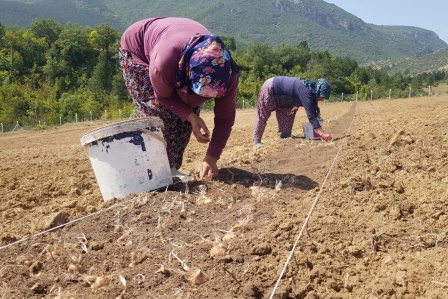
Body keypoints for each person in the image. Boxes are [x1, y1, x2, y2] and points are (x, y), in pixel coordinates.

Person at [119, 17, 239, 180]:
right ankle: (154, 172)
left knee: (187, 120)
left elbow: (225, 120)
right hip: (139, 49)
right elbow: (163, 97)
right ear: (187, 72)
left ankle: (170, 169)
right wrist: (189, 115)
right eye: (197, 92)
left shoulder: (229, 76)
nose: (200, 99)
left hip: (171, 46)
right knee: (159, 114)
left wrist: (211, 157)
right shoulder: (164, 64)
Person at [253, 76, 332, 147]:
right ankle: (257, 141)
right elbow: (311, 116)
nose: (322, 100)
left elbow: (297, 95)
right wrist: (322, 133)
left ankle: (285, 134)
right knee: (262, 115)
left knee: (290, 112)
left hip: (284, 98)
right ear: (318, 90)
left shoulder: (311, 89)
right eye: (322, 96)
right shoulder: (307, 92)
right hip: (271, 88)